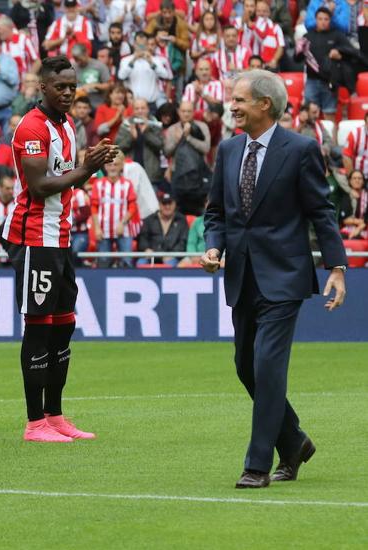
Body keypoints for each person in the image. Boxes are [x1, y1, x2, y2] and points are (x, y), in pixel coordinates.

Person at [202, 70, 348, 489]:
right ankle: (295, 441)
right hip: (241, 276)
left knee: (267, 367)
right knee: (245, 366)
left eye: (239, 99)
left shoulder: (301, 149)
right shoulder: (228, 150)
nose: (232, 105)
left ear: (265, 104)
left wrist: (336, 268)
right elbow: (217, 213)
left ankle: (257, 465)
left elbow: (322, 212)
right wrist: (215, 247)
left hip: (284, 276)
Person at [2, 55, 117, 443]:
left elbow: (67, 182)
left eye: (73, 86)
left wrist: (88, 166)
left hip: (60, 236)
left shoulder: (67, 126)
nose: (68, 92)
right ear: (43, 88)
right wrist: (86, 169)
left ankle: (55, 415)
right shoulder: (32, 127)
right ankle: (35, 423)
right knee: (38, 328)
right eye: (61, 87)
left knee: (64, 326)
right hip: (34, 237)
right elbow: (39, 186)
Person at [294, 8, 359, 116]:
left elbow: (353, 53)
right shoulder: (307, 36)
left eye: (326, 19)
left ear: (330, 20)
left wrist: (340, 54)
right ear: (315, 19)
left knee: (329, 115)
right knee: (307, 115)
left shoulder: (337, 35)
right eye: (320, 19)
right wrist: (298, 49)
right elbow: (297, 59)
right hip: (311, 81)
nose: (323, 22)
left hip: (330, 81)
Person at [91, 153, 138, 267]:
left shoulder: (127, 184)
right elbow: (94, 207)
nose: (112, 168)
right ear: (105, 166)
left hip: (124, 230)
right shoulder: (98, 184)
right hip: (103, 230)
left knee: (126, 263)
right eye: (110, 164)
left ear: (121, 166)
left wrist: (123, 223)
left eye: (116, 165)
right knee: (103, 263)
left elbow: (133, 207)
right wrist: (97, 228)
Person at [164, 101, 211, 215]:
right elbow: (167, 152)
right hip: (178, 176)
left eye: (189, 111)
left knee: (199, 212)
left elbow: (206, 148)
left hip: (198, 177)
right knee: (178, 213)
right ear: (179, 112)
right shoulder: (172, 129)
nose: (186, 114)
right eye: (183, 111)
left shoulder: (202, 126)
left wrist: (188, 137)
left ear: (193, 112)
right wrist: (178, 138)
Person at [115, 97, 164, 184]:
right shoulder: (126, 125)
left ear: (148, 109)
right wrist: (131, 138)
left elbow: (160, 146)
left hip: (151, 173)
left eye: (143, 108)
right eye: (137, 108)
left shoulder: (155, 124)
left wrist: (147, 133)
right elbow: (118, 148)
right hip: (130, 173)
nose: (140, 111)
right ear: (133, 110)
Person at [117, 31, 172, 107]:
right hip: (133, 104)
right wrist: (133, 60)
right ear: (134, 44)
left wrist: (151, 62)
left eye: (143, 45)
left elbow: (165, 75)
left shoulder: (155, 60)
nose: (141, 48)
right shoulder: (126, 60)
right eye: (139, 45)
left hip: (151, 103)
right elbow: (121, 76)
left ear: (147, 45)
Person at [136, 192, 187, 266]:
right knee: (140, 263)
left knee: (170, 264)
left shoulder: (181, 220)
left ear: (175, 204)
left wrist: (172, 254)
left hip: (172, 257)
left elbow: (183, 241)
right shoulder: (149, 220)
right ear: (159, 205)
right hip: (151, 256)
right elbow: (143, 238)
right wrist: (146, 249)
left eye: (170, 203)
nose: (167, 206)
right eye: (164, 203)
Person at [72, 43, 112, 108]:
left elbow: (109, 85)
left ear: (86, 53)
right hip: (80, 107)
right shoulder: (73, 67)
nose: (78, 62)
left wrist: (95, 85)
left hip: (97, 104)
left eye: (79, 59)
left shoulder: (99, 66)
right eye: (75, 59)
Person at [338, 170, 367, 239]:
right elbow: (345, 220)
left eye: (359, 178)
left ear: (363, 181)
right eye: (354, 178)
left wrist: (357, 229)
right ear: (350, 181)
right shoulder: (346, 196)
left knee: (356, 237)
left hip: (364, 229)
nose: (357, 180)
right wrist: (361, 221)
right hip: (348, 229)